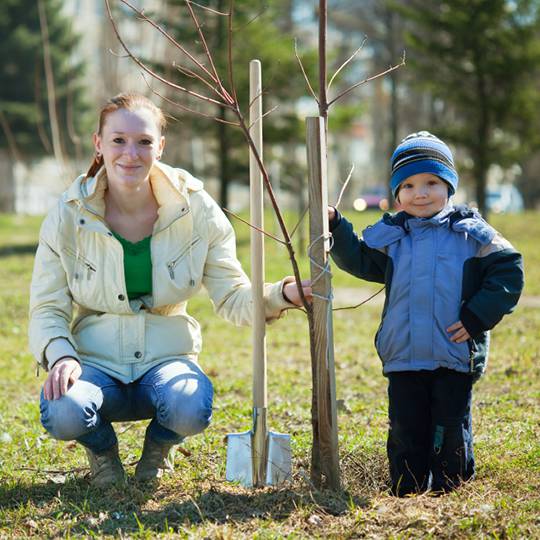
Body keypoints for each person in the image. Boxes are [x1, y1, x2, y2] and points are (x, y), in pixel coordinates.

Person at [29, 92, 308, 487]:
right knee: (63, 409)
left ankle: (159, 448)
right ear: (98, 143)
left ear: (160, 146)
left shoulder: (195, 209)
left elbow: (232, 297)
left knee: (189, 405)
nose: (131, 153)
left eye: (144, 141)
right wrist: (60, 357)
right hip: (94, 361)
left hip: (165, 359)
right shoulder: (68, 214)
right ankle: (103, 453)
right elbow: (47, 307)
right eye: (118, 140)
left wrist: (283, 294)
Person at [328, 131, 524, 496]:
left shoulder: (471, 233)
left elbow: (509, 271)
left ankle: (451, 490)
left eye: (432, 182)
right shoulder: (392, 237)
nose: (421, 193)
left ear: (449, 185)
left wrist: (475, 318)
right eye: (409, 185)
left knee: (449, 426)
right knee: (406, 426)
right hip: (404, 355)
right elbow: (357, 258)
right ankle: (407, 490)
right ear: (397, 194)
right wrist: (337, 226)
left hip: (453, 352)